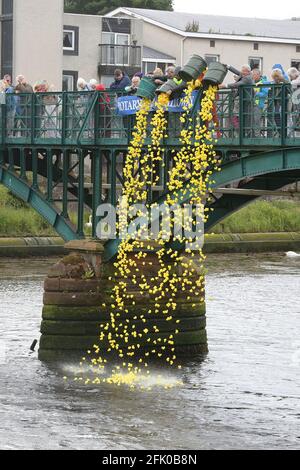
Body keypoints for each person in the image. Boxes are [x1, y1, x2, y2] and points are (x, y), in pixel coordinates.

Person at [221, 65, 254, 134]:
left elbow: (238, 84)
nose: (241, 72)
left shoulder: (247, 78)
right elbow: (237, 72)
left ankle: (241, 132)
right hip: (242, 100)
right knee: (238, 116)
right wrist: (228, 67)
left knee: (236, 116)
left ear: (247, 71)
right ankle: (241, 132)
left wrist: (225, 85)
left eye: (243, 71)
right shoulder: (247, 75)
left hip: (244, 100)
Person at [252, 69, 269, 137]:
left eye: (254, 74)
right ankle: (252, 135)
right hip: (250, 104)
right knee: (251, 120)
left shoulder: (263, 82)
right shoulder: (252, 82)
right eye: (252, 74)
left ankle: (257, 136)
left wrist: (256, 94)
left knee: (257, 120)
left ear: (258, 75)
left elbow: (265, 94)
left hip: (259, 104)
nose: (253, 76)